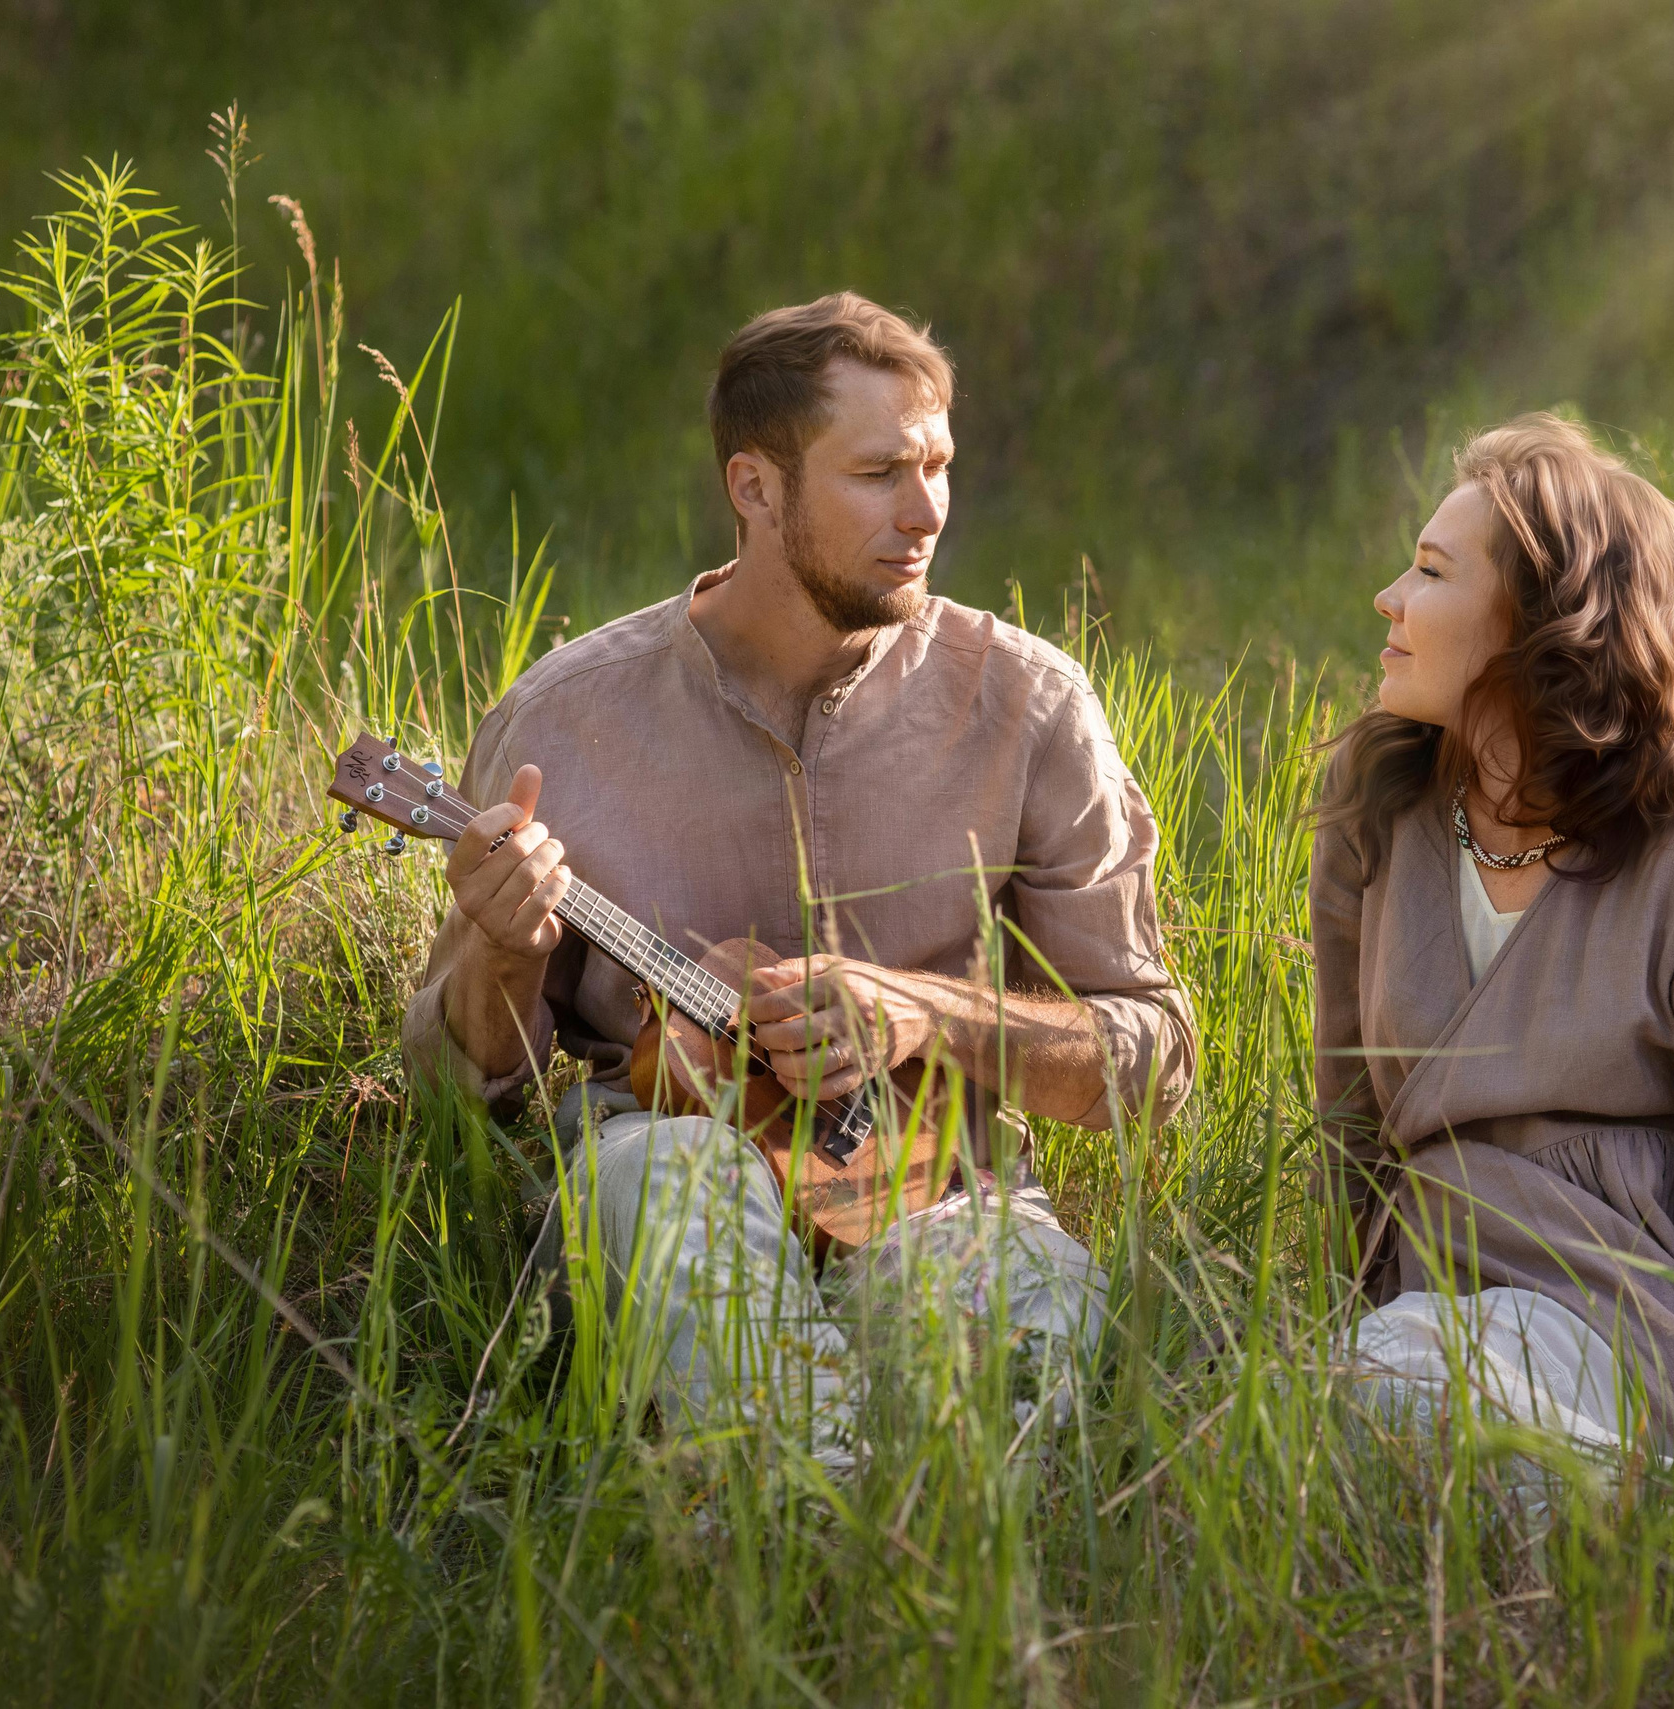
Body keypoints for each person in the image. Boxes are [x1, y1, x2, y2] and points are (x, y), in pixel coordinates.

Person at [402, 292, 1195, 1449]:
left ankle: (907, 1564)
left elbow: (1149, 1059)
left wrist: (927, 1015)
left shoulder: (1031, 703)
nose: (925, 511)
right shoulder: (563, 719)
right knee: (665, 1177)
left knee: (1022, 1374)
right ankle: (800, 1533)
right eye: (879, 473)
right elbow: (453, 1096)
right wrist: (502, 950)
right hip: (664, 1174)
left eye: (938, 465)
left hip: (944, 1200)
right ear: (754, 489)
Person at [1312, 412, 1674, 1484]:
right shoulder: (1378, 821)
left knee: (1392, 1405)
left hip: (1649, 1323)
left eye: (1432, 572)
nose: (1389, 599)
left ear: (1541, 625)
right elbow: (1349, 1132)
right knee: (1313, 1429)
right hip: (1436, 1299)